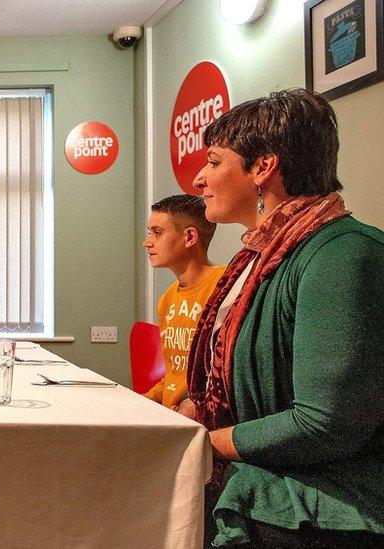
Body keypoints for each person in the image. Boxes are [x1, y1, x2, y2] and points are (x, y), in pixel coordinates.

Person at [181, 89, 384, 547]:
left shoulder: (343, 254)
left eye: (214, 162)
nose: (199, 178)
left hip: (326, 506)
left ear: (263, 167)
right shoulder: (258, 257)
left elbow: (323, 423)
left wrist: (204, 445)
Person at [141, 194, 225, 411]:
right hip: (172, 416)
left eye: (157, 233)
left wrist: (195, 406)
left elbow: (226, 370)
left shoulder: (224, 284)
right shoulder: (167, 299)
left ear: (189, 237)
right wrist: (141, 400)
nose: (147, 242)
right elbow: (173, 378)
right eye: (149, 233)